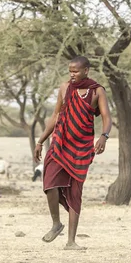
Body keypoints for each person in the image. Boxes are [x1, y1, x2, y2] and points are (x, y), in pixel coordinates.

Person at [34, 56, 112, 250]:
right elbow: (55, 116)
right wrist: (41, 140)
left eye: (76, 71)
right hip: (60, 143)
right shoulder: (64, 88)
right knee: (49, 183)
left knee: (75, 192)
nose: (72, 74)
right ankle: (56, 223)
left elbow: (106, 117)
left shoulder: (97, 91)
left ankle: (71, 241)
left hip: (81, 147)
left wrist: (104, 136)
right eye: (70, 71)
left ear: (86, 70)